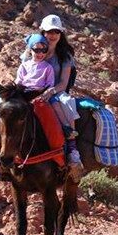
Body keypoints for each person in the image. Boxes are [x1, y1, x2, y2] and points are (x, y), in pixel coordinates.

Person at [0, 34, 55, 164]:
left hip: (37, 94)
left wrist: (46, 93)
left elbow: (49, 84)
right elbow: (19, 81)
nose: (40, 53)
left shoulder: (48, 68)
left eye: (43, 50)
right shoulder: (25, 65)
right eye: (36, 50)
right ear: (30, 50)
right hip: (22, 93)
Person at [36, 14, 82, 167]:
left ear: (61, 34)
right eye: (49, 32)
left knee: (67, 102)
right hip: (34, 89)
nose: (52, 35)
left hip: (56, 90)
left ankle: (72, 148)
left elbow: (64, 82)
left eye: (56, 32)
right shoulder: (35, 48)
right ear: (43, 32)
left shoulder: (65, 55)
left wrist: (51, 92)